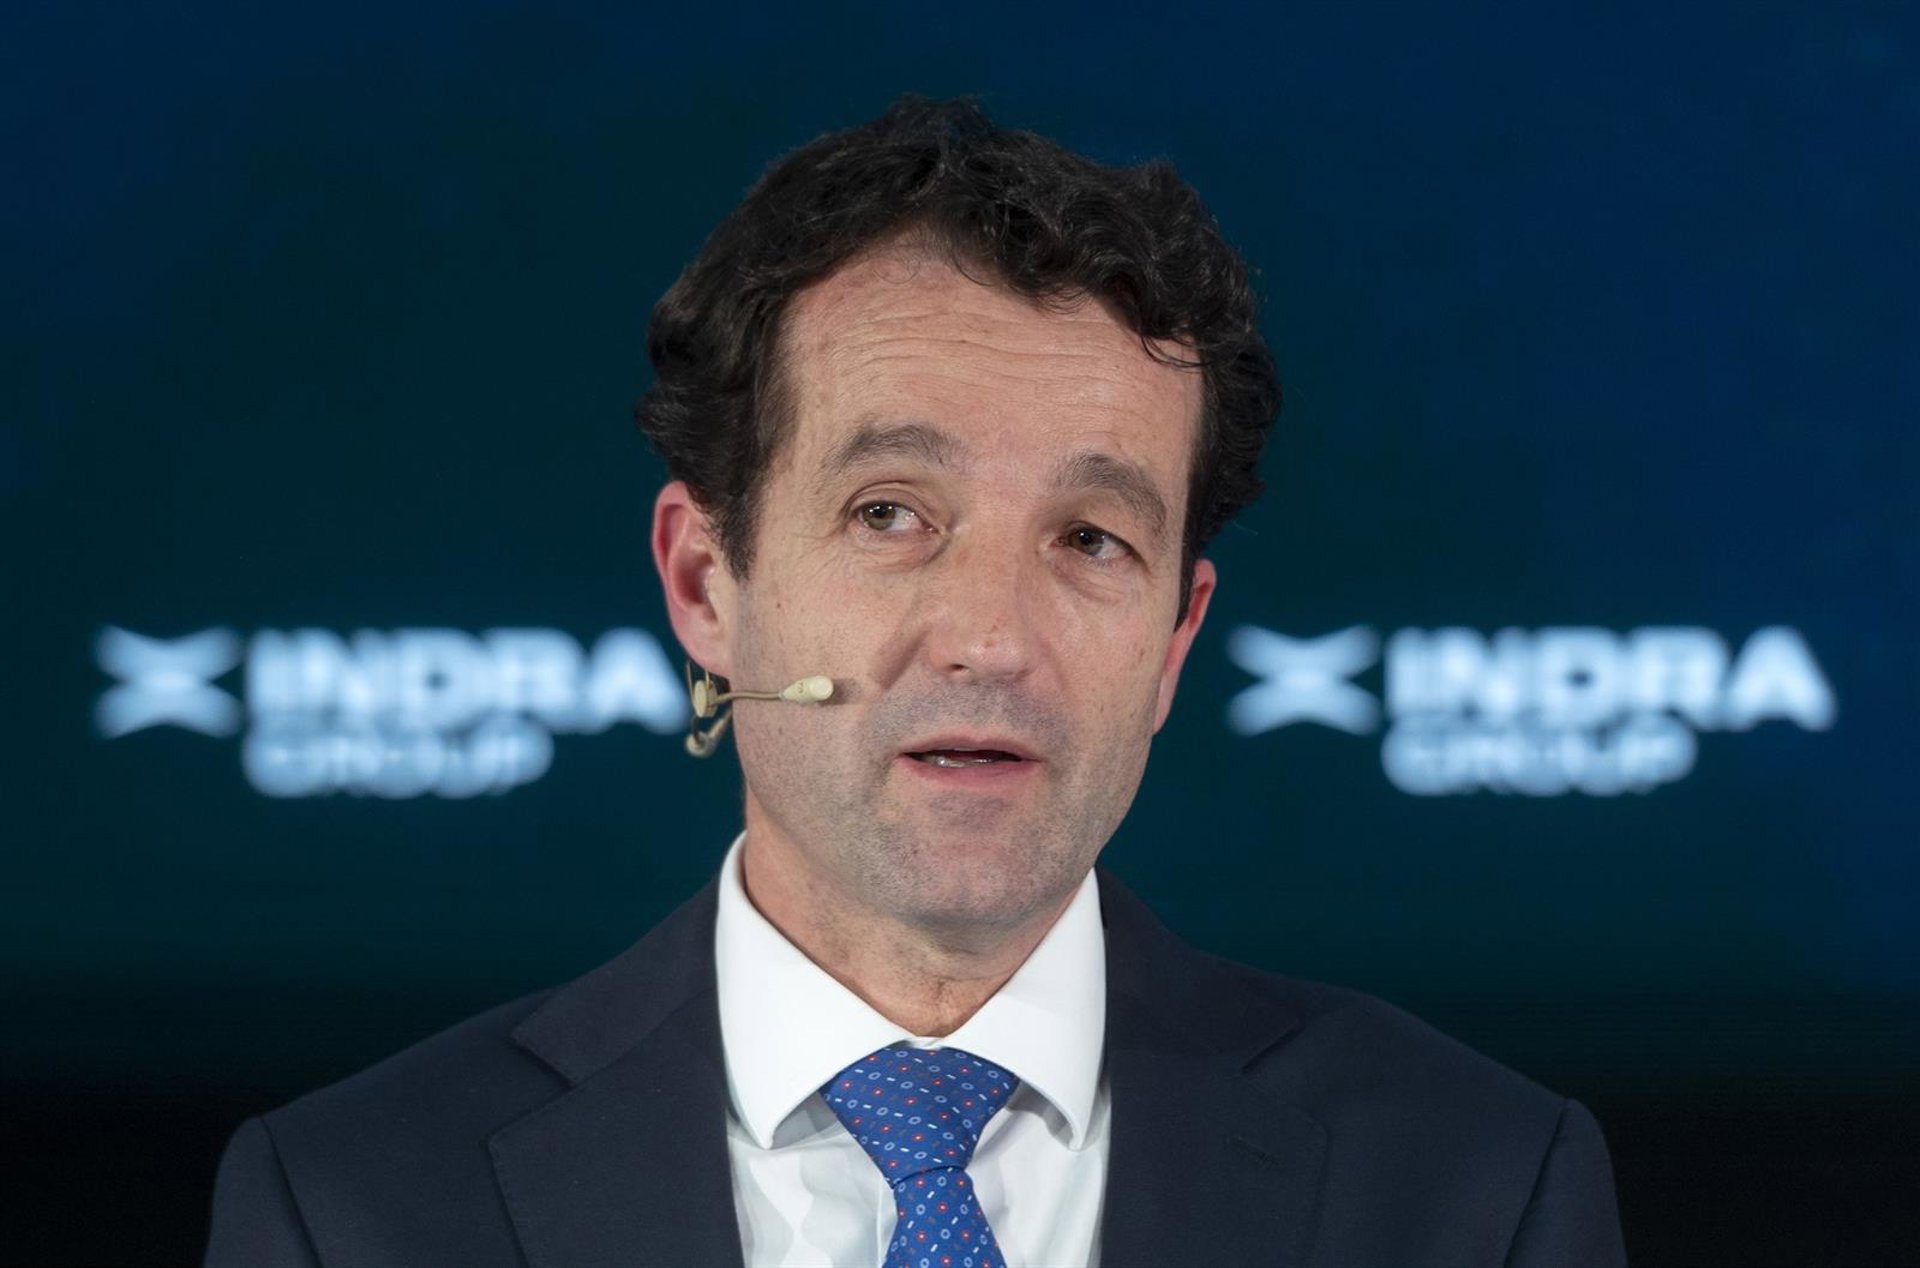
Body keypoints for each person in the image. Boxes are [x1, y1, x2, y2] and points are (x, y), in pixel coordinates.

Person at [205, 95, 1628, 1267]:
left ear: (1174, 642)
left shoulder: (1475, 1189)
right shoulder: (357, 1207)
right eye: (890, 513)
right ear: (706, 583)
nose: (990, 638)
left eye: (1091, 538)